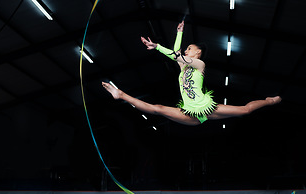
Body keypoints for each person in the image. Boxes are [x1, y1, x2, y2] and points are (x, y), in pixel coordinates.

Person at [102, 21, 281, 126]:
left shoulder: (199, 64)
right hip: (188, 113)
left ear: (197, 53)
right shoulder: (183, 67)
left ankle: (269, 101)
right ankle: (121, 94)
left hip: (206, 108)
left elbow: (176, 54)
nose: (186, 50)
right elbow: (175, 54)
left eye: (189, 48)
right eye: (186, 48)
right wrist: (179, 32)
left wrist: (157, 46)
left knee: (246, 110)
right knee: (158, 108)